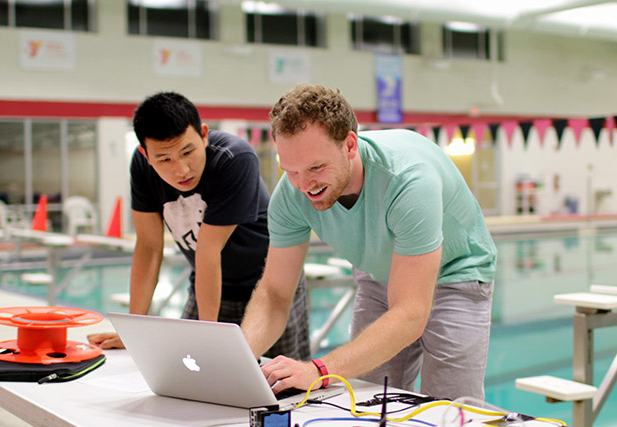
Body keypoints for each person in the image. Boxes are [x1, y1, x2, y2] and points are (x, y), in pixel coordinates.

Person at [241, 84, 497, 400]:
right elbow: (275, 293)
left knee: (450, 409)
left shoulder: (408, 182)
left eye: (316, 167)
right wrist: (236, 359)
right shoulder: (292, 193)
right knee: (365, 398)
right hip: (380, 276)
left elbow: (410, 313)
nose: (303, 185)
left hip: (458, 276)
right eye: (290, 170)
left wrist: (320, 371)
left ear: (349, 145)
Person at [88, 92, 310, 361]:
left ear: (203, 134)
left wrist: (207, 336)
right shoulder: (142, 167)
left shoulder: (234, 158)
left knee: (278, 384)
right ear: (146, 155)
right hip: (206, 285)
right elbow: (148, 247)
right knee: (191, 377)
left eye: (187, 152)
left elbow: (208, 250)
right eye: (164, 159)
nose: (181, 170)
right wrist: (132, 329)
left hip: (270, 288)